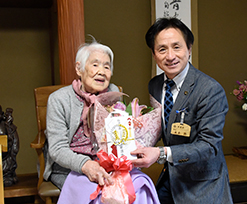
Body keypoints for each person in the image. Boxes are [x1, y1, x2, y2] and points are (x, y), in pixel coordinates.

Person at [131, 17, 233, 204]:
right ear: (154, 55)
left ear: (189, 49)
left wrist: (161, 153)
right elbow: (161, 126)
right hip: (170, 177)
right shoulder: (154, 85)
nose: (170, 56)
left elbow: (210, 146)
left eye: (176, 47)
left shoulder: (209, 90)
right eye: (162, 49)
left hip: (202, 183)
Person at [44, 39, 160, 204]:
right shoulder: (59, 99)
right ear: (79, 68)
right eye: (95, 65)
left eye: (107, 67)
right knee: (102, 196)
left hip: (112, 166)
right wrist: (86, 165)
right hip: (73, 168)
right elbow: (57, 149)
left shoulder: (113, 93)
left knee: (139, 188)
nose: (102, 71)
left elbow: (119, 135)